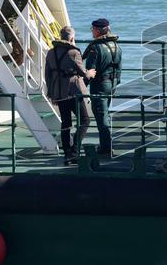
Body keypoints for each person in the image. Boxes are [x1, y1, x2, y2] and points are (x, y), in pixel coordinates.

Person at [45, 26, 96, 165]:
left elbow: (47, 76)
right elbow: (82, 72)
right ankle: (74, 152)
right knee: (85, 120)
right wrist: (90, 73)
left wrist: (51, 94)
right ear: (72, 38)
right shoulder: (74, 52)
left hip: (58, 92)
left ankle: (67, 153)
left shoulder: (51, 53)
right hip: (73, 92)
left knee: (66, 123)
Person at [82, 18, 122, 156]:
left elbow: (90, 71)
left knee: (101, 115)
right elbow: (119, 69)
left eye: (92, 29)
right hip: (112, 84)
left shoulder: (96, 48)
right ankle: (106, 144)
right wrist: (115, 83)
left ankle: (106, 147)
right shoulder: (116, 46)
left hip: (100, 85)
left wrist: (82, 88)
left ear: (98, 30)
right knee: (105, 113)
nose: (92, 32)